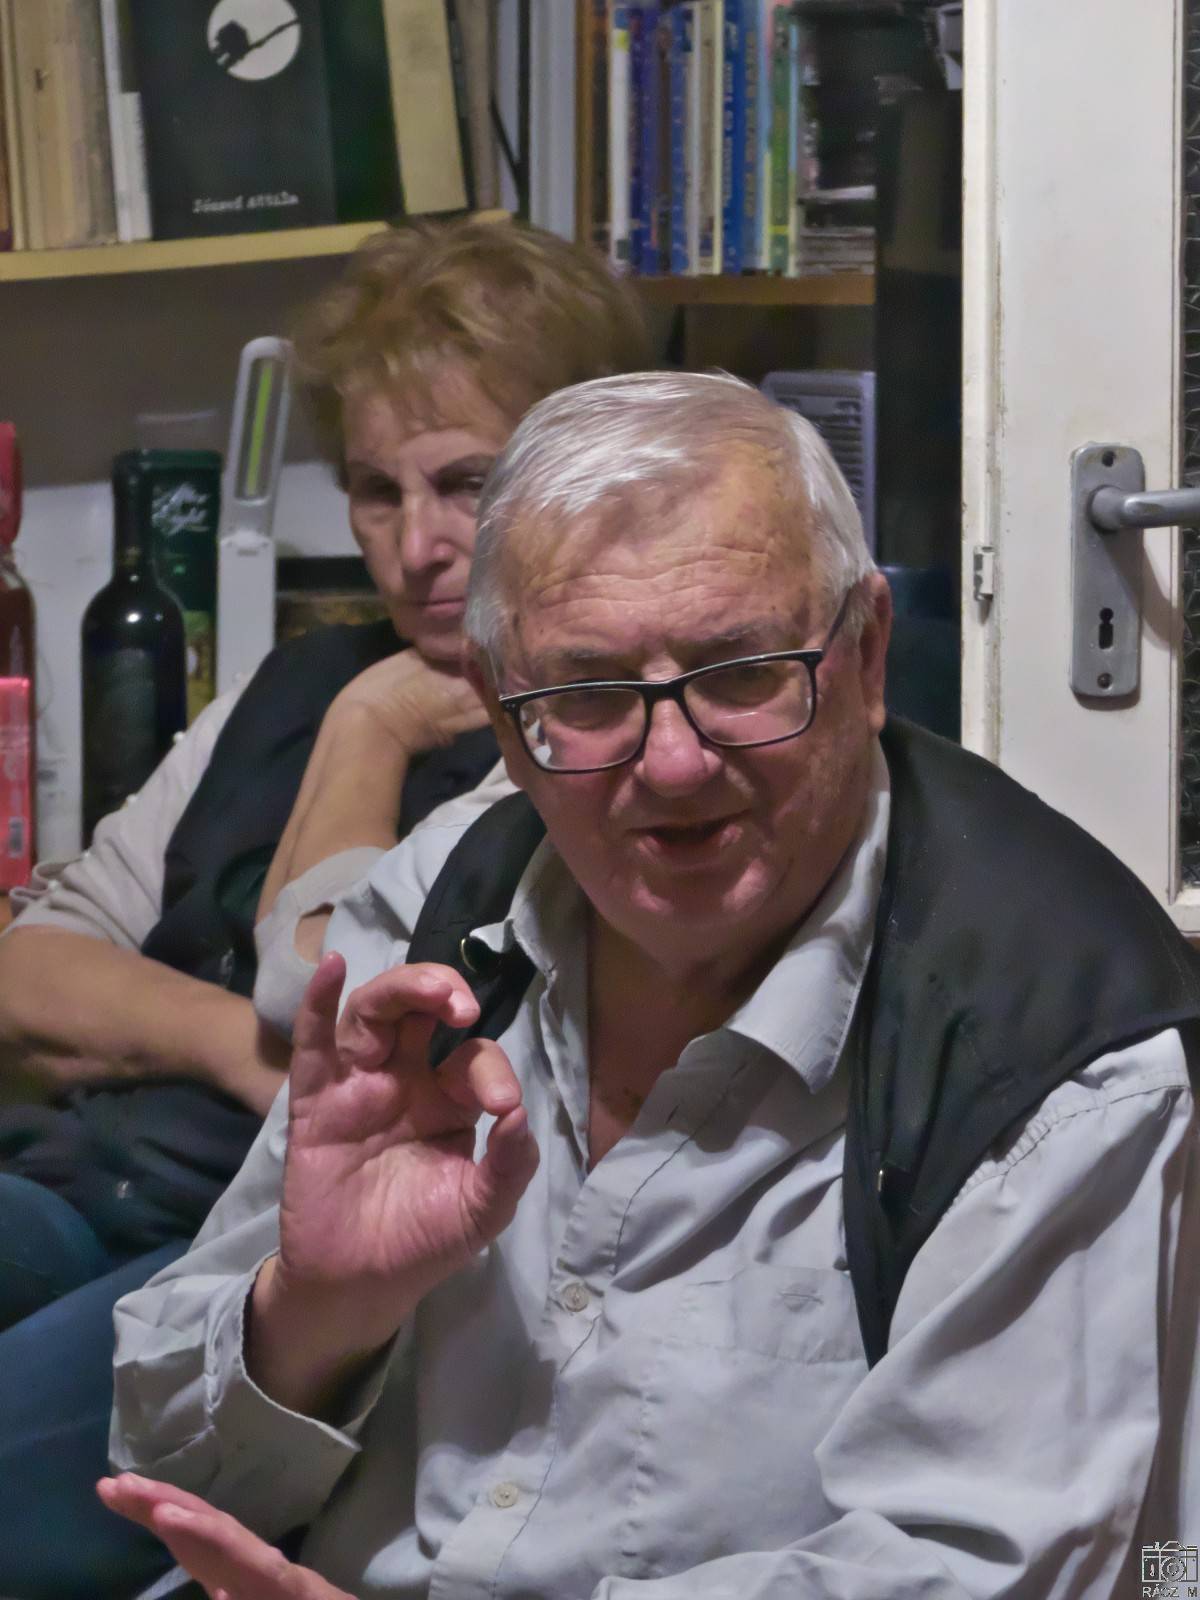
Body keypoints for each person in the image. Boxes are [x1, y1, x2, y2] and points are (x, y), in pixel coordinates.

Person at [105, 372, 1199, 1600]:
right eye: (587, 693)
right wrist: (320, 1310)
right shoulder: (444, 907)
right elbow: (165, 1464)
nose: (673, 763)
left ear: (866, 654)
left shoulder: (1050, 1043)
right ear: (503, 715)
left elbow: (981, 1573)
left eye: (743, 672)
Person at [0, 217, 650, 1599]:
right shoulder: (291, 685)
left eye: (465, 484)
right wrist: (248, 1062)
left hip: (257, 1260)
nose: (416, 546)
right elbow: (29, 970)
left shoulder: (590, 735)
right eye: (372, 490)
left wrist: (372, 731)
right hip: (81, 1175)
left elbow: (319, 986)